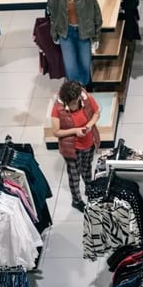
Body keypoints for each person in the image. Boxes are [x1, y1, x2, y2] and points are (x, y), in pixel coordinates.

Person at [51, 79, 100, 212]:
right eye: (71, 103)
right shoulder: (58, 109)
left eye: (75, 102)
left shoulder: (86, 98)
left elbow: (97, 112)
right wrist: (75, 131)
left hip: (88, 143)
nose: (73, 106)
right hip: (71, 149)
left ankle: (89, 187)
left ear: (79, 97)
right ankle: (76, 200)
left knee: (87, 166)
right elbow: (56, 132)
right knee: (74, 175)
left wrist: (89, 125)